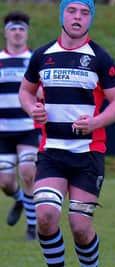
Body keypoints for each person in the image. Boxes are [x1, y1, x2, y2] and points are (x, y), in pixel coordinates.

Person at [19, 0, 115, 267]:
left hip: (87, 153)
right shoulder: (42, 55)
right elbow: (26, 91)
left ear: (90, 18)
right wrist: (33, 109)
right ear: (62, 15)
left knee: (80, 225)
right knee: (46, 215)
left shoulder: (99, 57)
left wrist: (96, 122)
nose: (77, 17)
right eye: (72, 11)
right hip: (52, 151)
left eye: (84, 12)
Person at [0, 11, 38, 240]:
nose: (17, 33)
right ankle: (20, 200)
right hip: (3, 131)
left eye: (21, 29)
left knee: (27, 171)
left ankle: (32, 228)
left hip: (27, 127)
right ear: (6, 33)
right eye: (13, 29)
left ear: (26, 33)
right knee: (5, 182)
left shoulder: (34, 59)